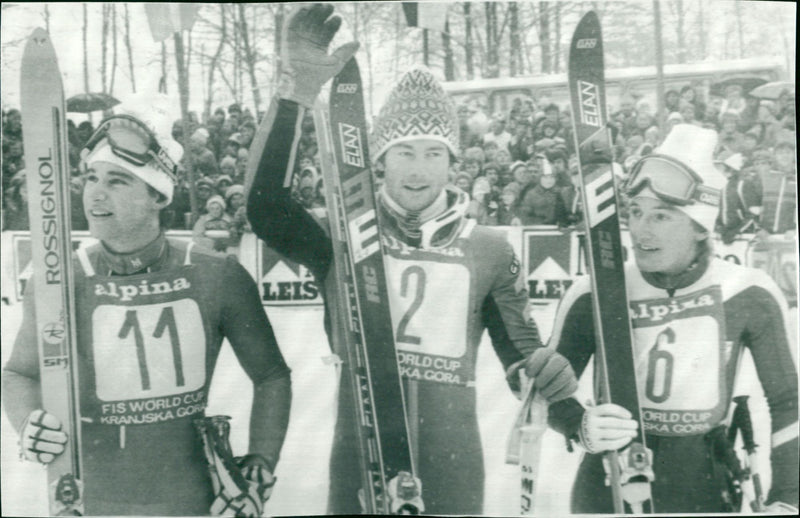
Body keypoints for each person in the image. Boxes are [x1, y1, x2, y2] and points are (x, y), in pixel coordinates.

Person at [245, 4, 577, 514]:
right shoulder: (342, 237)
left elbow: (520, 354)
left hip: (454, 464)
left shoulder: (489, 249)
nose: (418, 169)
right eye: (404, 152)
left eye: (433, 152)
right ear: (378, 159)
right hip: (359, 456)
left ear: (452, 160)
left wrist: (563, 398)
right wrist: (296, 93)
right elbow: (266, 208)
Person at [2, 100, 292, 516]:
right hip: (91, 500)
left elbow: (271, 375)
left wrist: (262, 462)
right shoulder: (61, 279)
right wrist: (30, 422)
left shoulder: (217, 274)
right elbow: (18, 373)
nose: (96, 193)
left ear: (158, 196)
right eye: (91, 177)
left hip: (193, 500)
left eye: (118, 181)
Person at [546, 124, 798, 513]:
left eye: (662, 216)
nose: (640, 231)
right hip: (607, 484)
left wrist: (788, 498)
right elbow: (546, 391)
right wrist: (578, 425)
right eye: (635, 211)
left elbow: (788, 402)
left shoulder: (748, 291)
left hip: (703, 486)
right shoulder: (593, 290)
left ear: (700, 228)